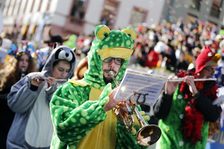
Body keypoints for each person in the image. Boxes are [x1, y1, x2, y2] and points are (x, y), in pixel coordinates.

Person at [50, 25, 148, 149]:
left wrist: (130, 126)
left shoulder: (123, 97)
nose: (112, 65)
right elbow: (63, 129)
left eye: (118, 60)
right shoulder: (71, 89)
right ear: (96, 58)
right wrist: (102, 107)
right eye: (108, 59)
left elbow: (135, 147)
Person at [7, 46, 76, 149]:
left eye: (67, 71)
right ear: (51, 65)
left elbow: (64, 116)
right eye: (60, 69)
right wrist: (31, 88)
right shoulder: (32, 77)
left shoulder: (68, 89)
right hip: (20, 144)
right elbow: (15, 106)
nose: (64, 74)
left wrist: (52, 92)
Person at [153, 46, 223, 149]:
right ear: (200, 68)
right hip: (168, 144)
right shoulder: (179, 82)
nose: (213, 73)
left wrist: (196, 94)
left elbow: (213, 115)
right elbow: (158, 114)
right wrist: (167, 94)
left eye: (214, 70)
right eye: (209, 69)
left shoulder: (211, 91)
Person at [0, 51, 36, 149]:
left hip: (20, 122)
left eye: (27, 60)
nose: (24, 63)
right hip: (5, 119)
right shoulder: (7, 76)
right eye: (21, 60)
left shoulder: (33, 78)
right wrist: (13, 97)